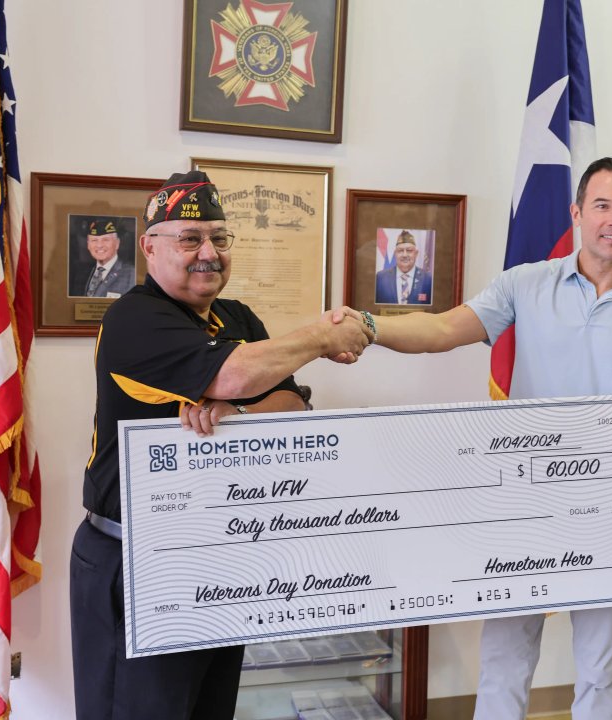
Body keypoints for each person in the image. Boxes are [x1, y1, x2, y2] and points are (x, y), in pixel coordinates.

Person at [339, 157, 612, 720]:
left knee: (602, 672)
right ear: (578, 213)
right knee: (506, 658)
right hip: (522, 508)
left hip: (610, 513)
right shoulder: (525, 285)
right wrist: (369, 326)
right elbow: (440, 331)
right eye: (603, 206)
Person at [69, 170, 372, 720]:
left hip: (217, 555)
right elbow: (236, 374)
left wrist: (241, 412)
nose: (208, 252)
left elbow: (293, 405)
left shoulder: (237, 318)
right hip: (137, 559)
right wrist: (323, 336)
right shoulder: (133, 318)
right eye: (190, 239)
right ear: (150, 247)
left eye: (219, 238)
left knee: (209, 709)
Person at [374, 230, 433, 305]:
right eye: (400, 250)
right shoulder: (380, 278)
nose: (405, 255)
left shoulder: (428, 279)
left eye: (409, 250)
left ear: (416, 253)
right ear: (395, 253)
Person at [81, 218, 136, 297]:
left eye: (106, 240)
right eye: (94, 240)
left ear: (117, 243)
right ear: (88, 245)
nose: (99, 245)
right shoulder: (82, 273)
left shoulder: (131, 274)